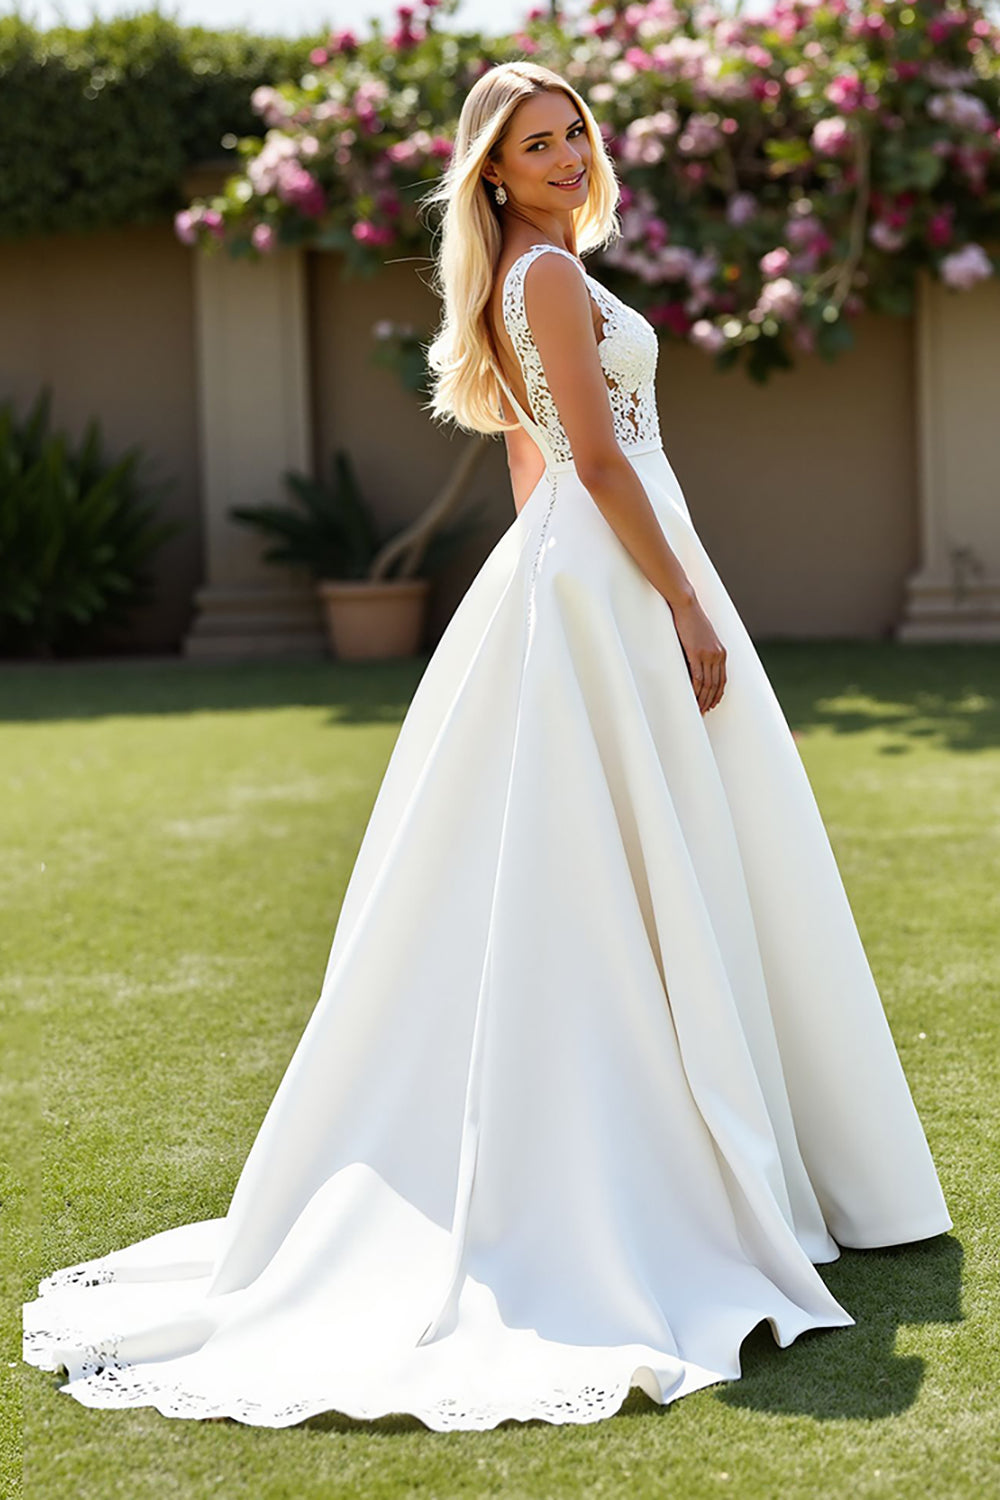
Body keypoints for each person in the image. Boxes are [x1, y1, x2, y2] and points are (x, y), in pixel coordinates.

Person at [23, 59, 951, 1433]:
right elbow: (598, 454)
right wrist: (684, 603)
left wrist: (564, 587)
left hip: (576, 576)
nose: (572, 153)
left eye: (576, 129)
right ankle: (679, 1167)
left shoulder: (523, 276)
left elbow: (537, 471)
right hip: (619, 579)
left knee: (632, 855)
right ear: (493, 171)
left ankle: (707, 1146)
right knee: (653, 853)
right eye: (539, 141)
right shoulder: (552, 282)